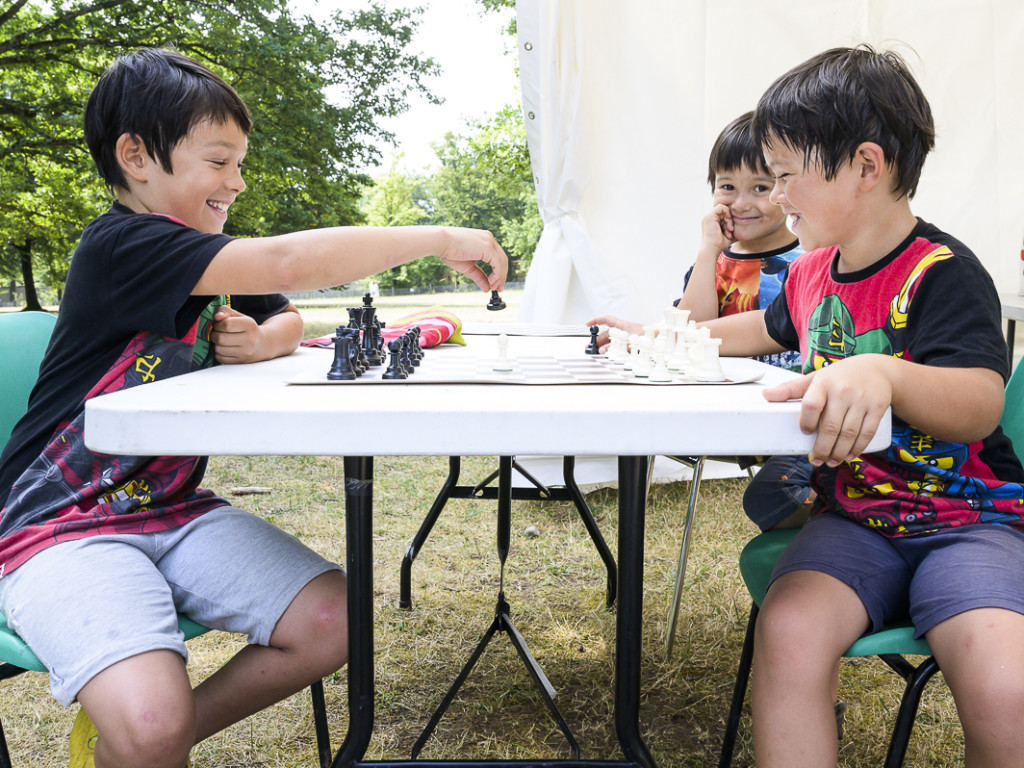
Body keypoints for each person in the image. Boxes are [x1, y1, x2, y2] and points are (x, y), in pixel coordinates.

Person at [0, 48, 507, 768]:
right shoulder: (123, 243)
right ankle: (145, 736)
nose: (236, 182)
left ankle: (138, 744)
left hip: (171, 507)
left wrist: (265, 340)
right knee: (151, 723)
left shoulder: (203, 246)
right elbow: (284, 265)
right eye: (218, 161)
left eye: (240, 162)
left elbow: (285, 309)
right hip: (61, 527)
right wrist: (442, 238)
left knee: (336, 620)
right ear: (136, 156)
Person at [704, 45, 1024, 768]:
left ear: (866, 167)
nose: (777, 197)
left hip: (972, 524)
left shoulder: (942, 273)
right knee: (786, 635)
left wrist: (886, 372)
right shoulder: (813, 272)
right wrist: (671, 338)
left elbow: (978, 402)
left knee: (1006, 685)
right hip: (856, 521)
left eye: (786, 176)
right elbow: (760, 329)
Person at [588, 111, 813, 533]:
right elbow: (689, 331)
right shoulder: (714, 261)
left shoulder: (810, 260)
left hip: (788, 414)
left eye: (761, 188)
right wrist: (709, 250)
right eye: (727, 187)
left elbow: (769, 332)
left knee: (777, 494)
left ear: (786, 189)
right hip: (722, 404)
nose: (741, 203)